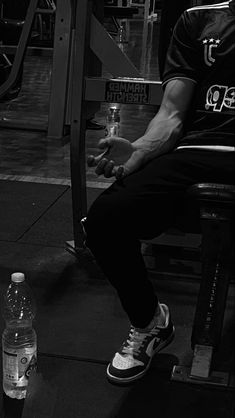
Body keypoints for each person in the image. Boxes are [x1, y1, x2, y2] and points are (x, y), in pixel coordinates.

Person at [85, 0, 235, 384]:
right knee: (106, 218)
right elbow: (172, 114)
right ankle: (151, 322)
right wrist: (140, 150)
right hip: (198, 151)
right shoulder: (200, 20)